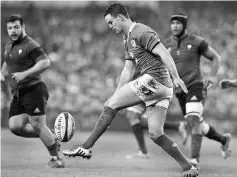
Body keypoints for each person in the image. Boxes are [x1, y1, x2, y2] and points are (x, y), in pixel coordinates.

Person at [63, 3, 198, 176]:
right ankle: (188, 168)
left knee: (112, 104)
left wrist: (176, 76)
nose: (110, 27)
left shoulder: (141, 31)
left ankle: (86, 147)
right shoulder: (127, 39)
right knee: (156, 134)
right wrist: (116, 96)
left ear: (121, 18)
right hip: (163, 88)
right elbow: (128, 71)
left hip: (155, 80)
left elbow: (164, 53)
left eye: (111, 22)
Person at [163, 13, 232, 169]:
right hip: (180, 91)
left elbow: (216, 58)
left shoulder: (196, 42)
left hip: (196, 86)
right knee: (197, 124)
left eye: (178, 23)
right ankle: (223, 139)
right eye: (172, 23)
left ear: (184, 25)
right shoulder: (166, 44)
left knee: (194, 120)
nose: (174, 26)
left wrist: (212, 78)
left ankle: (194, 160)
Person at [1, 14, 64, 168]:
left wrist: (24, 74)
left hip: (33, 89)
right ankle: (51, 138)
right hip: (18, 93)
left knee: (37, 125)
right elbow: (7, 63)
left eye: (16, 27)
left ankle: (56, 159)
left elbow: (45, 63)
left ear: (23, 27)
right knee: (15, 127)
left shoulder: (30, 44)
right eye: (10, 28)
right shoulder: (8, 46)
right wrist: (2, 73)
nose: (13, 31)